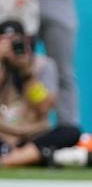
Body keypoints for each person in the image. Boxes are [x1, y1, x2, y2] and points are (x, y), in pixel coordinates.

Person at [0, 19, 80, 166]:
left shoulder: (42, 65)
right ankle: (30, 158)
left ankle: (11, 159)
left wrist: (27, 73)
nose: (11, 47)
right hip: (3, 135)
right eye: (5, 42)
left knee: (70, 132)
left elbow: (44, 107)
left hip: (33, 135)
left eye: (15, 42)